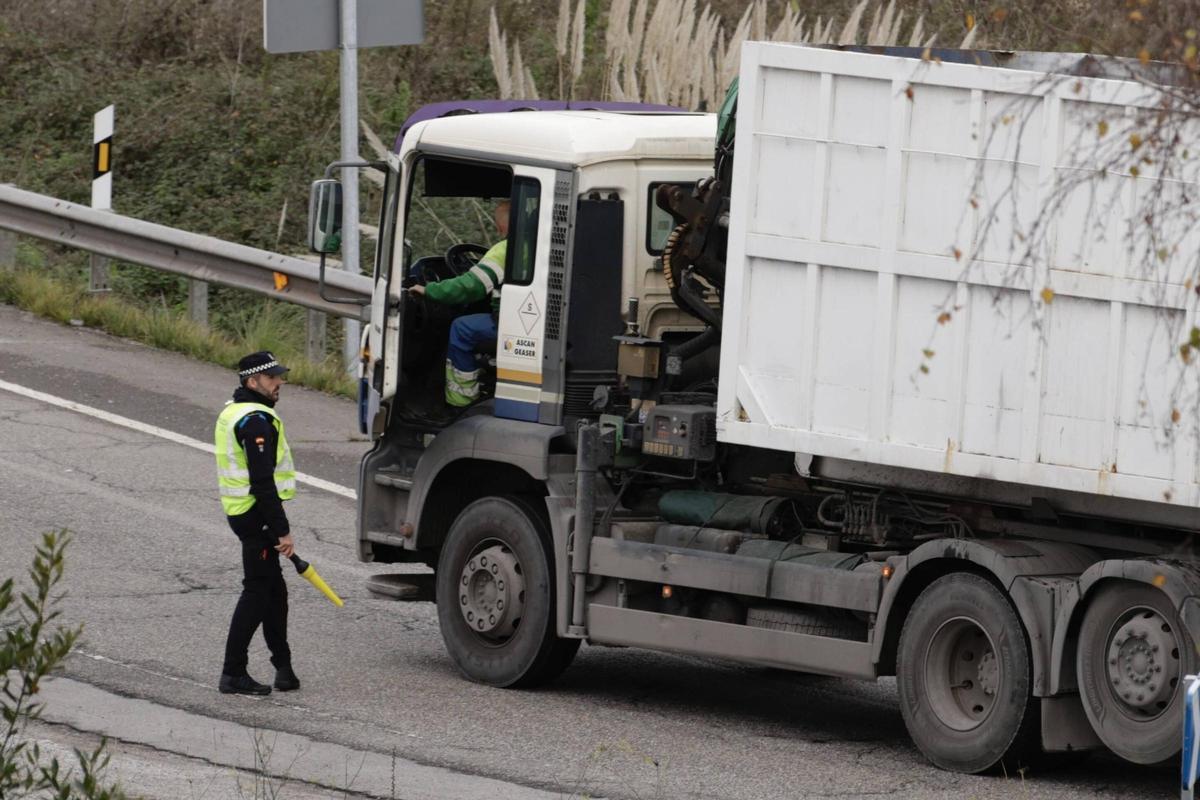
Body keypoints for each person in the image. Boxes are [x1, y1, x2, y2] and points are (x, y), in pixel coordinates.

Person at [214, 351, 300, 696]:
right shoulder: (255, 422)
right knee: (257, 591)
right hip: (255, 516)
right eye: (272, 378)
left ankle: (284, 669)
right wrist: (281, 530)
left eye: (279, 376)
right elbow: (262, 481)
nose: (279, 383)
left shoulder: (235, 411)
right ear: (252, 382)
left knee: (275, 592)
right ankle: (233, 673)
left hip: (244, 512)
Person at [409, 200, 509, 407]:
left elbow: (470, 286)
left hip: (508, 325)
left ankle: (461, 401)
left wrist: (429, 290)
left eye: (498, 223)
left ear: (502, 226)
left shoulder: (506, 250)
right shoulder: (534, 245)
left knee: (461, 328)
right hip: (519, 321)